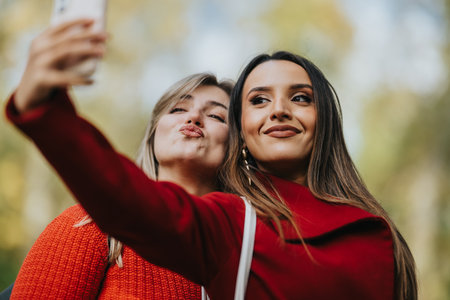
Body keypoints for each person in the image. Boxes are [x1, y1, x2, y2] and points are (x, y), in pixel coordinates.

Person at [5, 19, 417, 300]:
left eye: (301, 97)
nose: (278, 110)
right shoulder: (230, 227)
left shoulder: (381, 238)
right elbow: (127, 198)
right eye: (258, 100)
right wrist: (45, 109)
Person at [7, 19, 233, 299]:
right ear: (152, 136)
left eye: (215, 116)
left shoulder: (246, 250)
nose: (194, 117)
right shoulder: (89, 225)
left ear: (236, 145)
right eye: (178, 109)